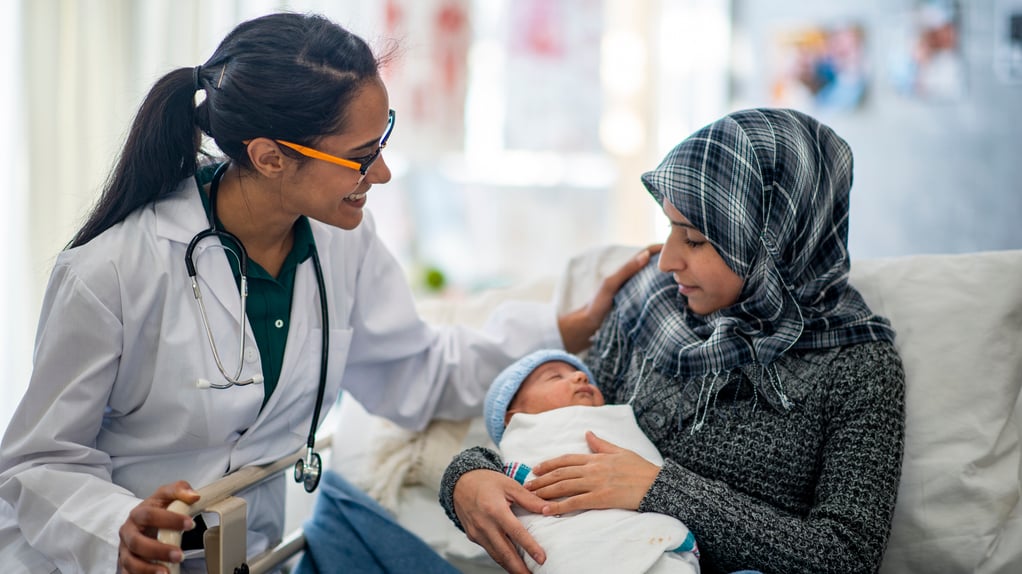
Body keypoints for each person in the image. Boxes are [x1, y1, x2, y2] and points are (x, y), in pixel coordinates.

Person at [0, 12, 656, 574]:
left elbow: (416, 372)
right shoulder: (111, 271)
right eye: (361, 155)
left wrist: (563, 333)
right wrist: (117, 527)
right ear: (270, 157)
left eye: (385, 138)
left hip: (249, 553)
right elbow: (38, 461)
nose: (385, 172)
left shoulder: (342, 244)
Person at [440, 108, 906, 574]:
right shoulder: (646, 306)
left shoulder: (857, 363)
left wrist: (659, 489)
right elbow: (558, 418)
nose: (667, 261)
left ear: (770, 241)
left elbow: (846, 556)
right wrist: (467, 476)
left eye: (696, 239)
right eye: (669, 227)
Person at [483, 348, 700, 574]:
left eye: (578, 373)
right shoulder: (524, 442)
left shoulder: (619, 421)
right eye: (555, 376)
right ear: (510, 416)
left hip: (652, 537)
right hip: (574, 546)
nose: (580, 376)